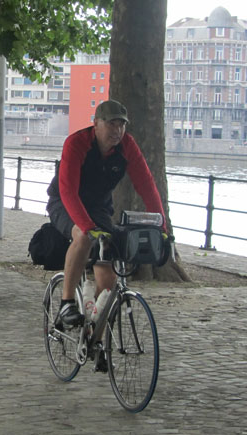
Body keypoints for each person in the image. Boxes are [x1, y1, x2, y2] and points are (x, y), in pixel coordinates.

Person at [46, 100, 166, 333]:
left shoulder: (127, 146)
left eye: (121, 125)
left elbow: (147, 186)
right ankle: (67, 303)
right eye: (111, 124)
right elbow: (68, 190)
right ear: (96, 124)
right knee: (82, 237)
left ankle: (96, 339)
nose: (117, 130)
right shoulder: (77, 143)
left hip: (98, 208)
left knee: (108, 278)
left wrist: (162, 227)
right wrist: (88, 226)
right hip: (65, 201)